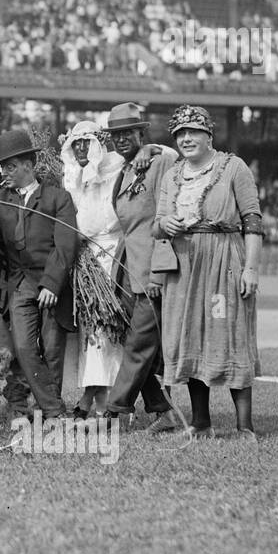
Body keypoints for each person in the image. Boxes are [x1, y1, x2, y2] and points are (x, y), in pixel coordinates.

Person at [154, 104, 264, 442]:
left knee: (229, 333)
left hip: (224, 260)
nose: (186, 138)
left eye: (193, 132)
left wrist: (250, 269)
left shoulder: (233, 167)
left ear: (209, 135)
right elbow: (157, 225)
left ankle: (244, 427)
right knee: (190, 336)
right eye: (180, 134)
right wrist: (165, 223)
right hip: (183, 266)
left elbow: (252, 220)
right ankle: (201, 424)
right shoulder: (172, 175)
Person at [0, 128, 79, 421]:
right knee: (24, 348)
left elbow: (66, 245)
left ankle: (50, 412)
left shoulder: (58, 198)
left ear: (28, 165)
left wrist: (52, 284)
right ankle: (55, 411)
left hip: (51, 284)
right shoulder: (0, 198)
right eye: (2, 167)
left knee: (52, 350)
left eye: (10, 167)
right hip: (20, 285)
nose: (5, 173)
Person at [104, 102, 184, 432]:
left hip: (153, 271)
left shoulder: (158, 161)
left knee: (139, 344)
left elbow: (178, 160)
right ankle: (163, 411)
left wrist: (153, 148)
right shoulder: (123, 171)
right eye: (116, 135)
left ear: (141, 133)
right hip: (127, 270)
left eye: (128, 133)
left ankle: (113, 413)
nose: (121, 139)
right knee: (133, 342)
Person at [59, 121, 125, 417]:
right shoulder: (71, 175)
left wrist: (147, 151)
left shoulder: (116, 167)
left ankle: (95, 400)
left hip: (113, 253)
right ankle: (100, 400)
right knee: (91, 331)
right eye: (76, 143)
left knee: (106, 327)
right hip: (84, 257)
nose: (82, 149)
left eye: (87, 142)